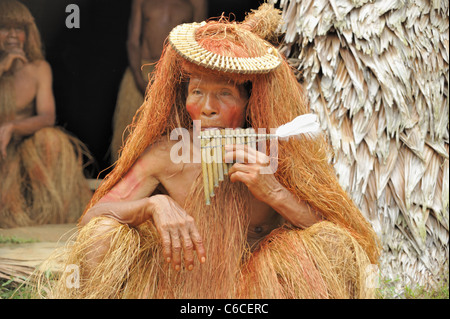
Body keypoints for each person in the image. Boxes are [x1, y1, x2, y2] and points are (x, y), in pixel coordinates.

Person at [48, 4, 380, 299]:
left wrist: (274, 192)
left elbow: (340, 235)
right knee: (102, 234)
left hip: (252, 294)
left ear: (251, 103)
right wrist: (153, 205)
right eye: (197, 92)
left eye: (224, 93)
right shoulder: (167, 153)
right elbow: (92, 218)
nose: (207, 108)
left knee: (333, 245)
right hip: (178, 289)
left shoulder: (277, 154)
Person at [0, 0, 92, 228]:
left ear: (27, 34)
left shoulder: (39, 69)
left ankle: (51, 211)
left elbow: (47, 117)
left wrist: (12, 127)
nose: (12, 35)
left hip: (22, 145)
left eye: (18, 28)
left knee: (50, 139)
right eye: (5, 28)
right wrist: (2, 70)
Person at [110, 0, 207, 162]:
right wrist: (140, 81)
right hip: (143, 73)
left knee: (171, 144)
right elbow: (133, 42)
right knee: (131, 143)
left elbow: (198, 42)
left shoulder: (196, 2)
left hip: (176, 76)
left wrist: (182, 83)